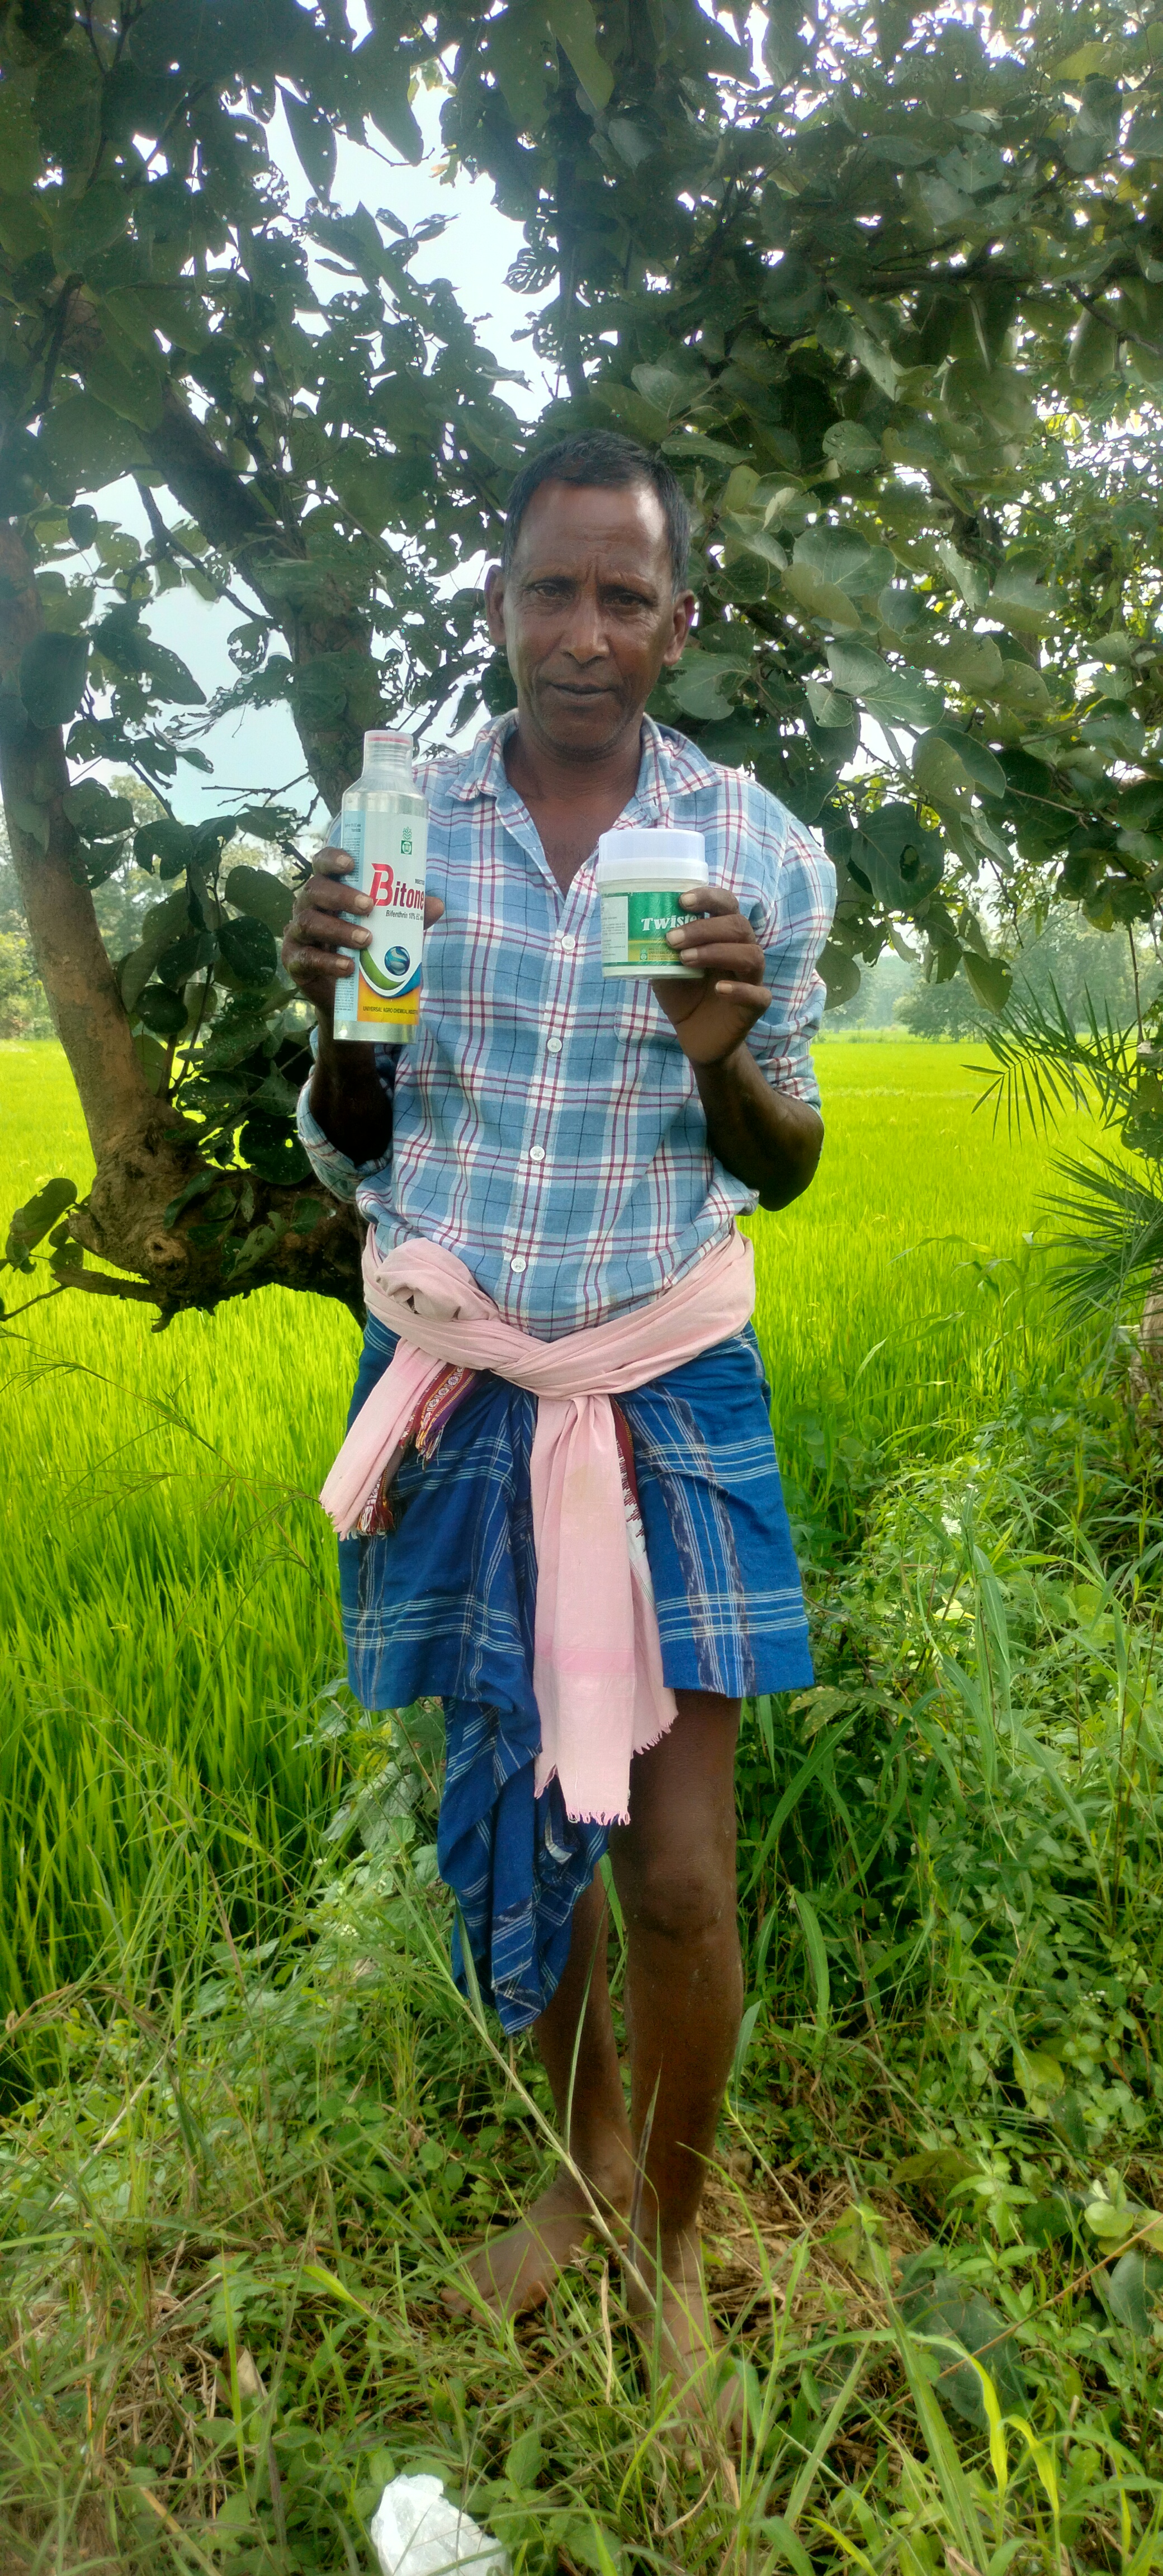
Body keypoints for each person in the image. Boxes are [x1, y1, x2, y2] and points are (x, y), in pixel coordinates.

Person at [283, 429, 835, 2417]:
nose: (582, 632)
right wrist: (340, 1027)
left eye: (623, 595)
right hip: (468, 1388)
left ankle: (672, 2249)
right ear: (499, 604)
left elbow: (785, 1159)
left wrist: (721, 1060)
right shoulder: (403, 834)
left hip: (665, 1379)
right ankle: (577, 2169)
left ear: (678, 622)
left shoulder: (753, 848)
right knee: (528, 1823)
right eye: (549, 590)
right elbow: (354, 1139)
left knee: (676, 1870)